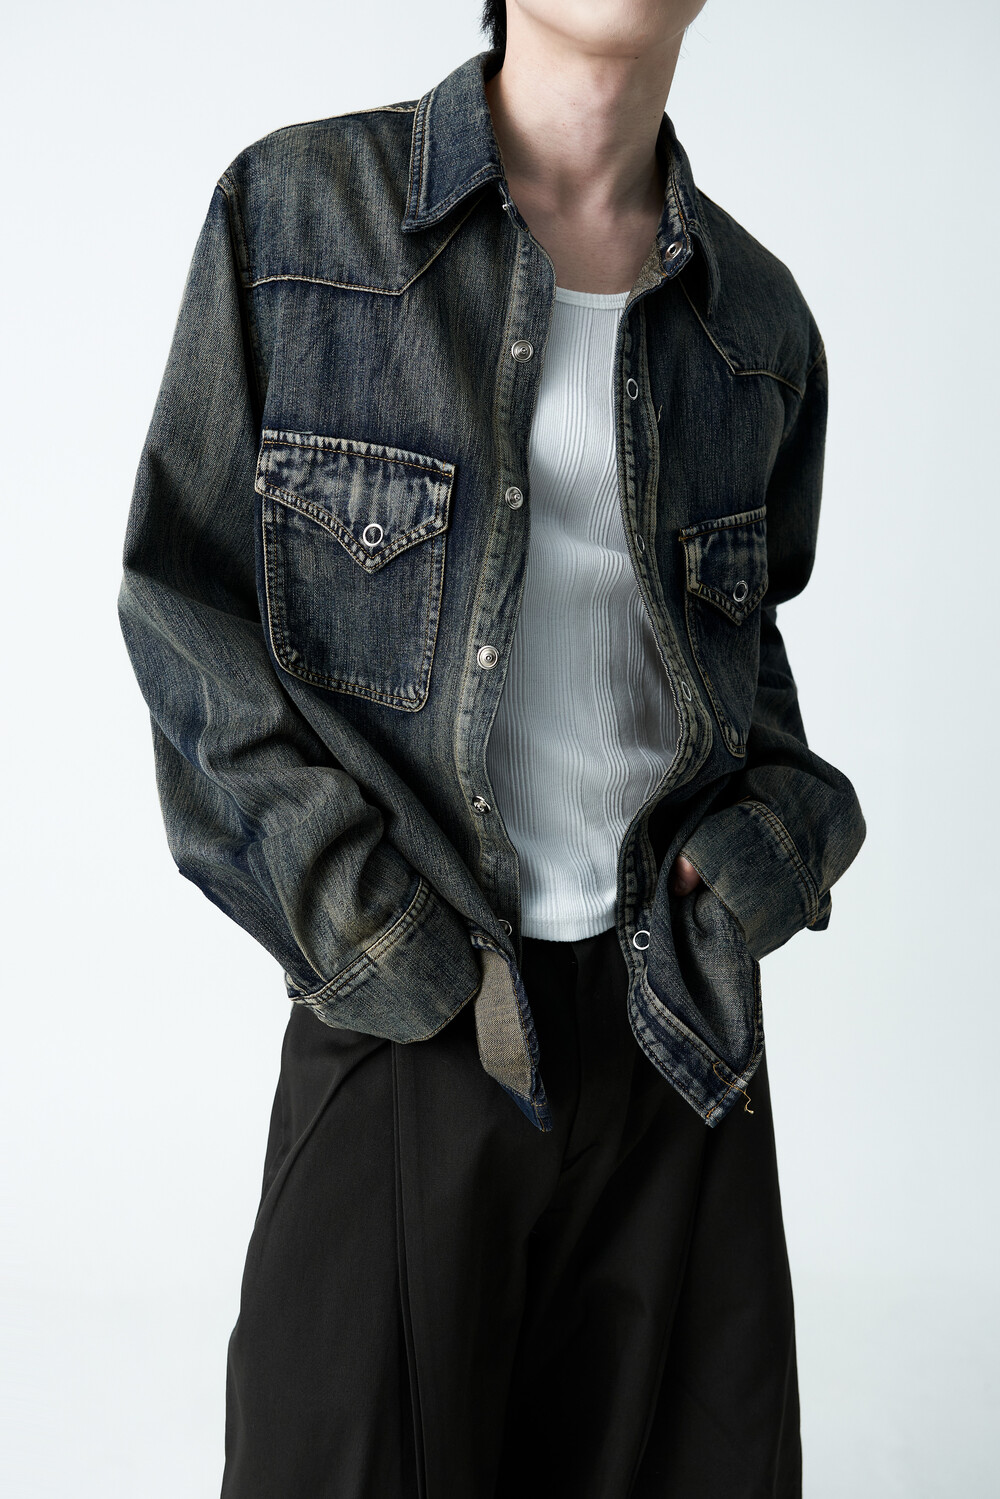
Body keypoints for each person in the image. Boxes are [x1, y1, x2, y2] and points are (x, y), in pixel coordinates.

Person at [117, 1, 866, 1494]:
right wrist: (369, 930)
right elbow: (183, 610)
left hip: (679, 1041)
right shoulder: (300, 218)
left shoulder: (757, 323)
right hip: (413, 1024)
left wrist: (763, 852)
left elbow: (745, 670)